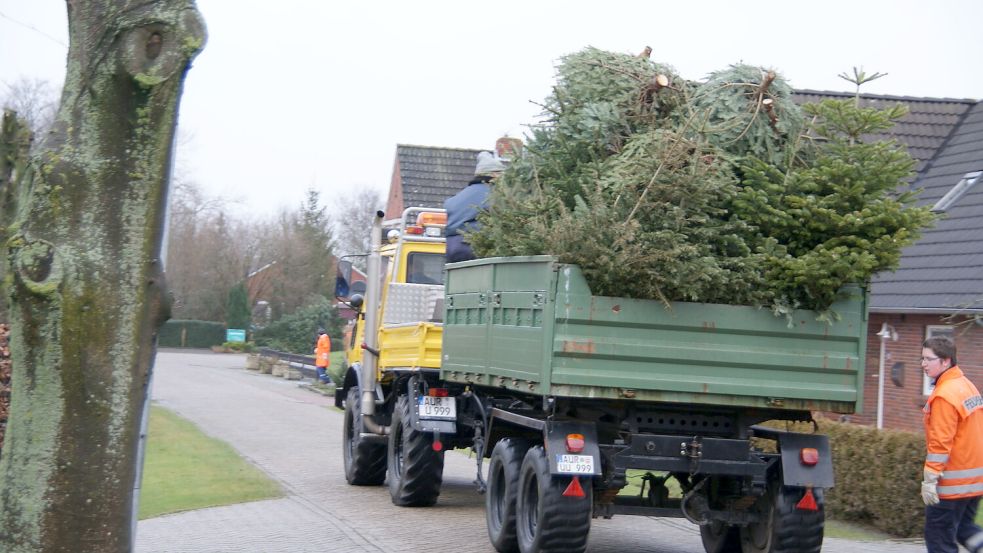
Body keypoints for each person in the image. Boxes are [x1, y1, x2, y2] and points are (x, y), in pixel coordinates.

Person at [920, 335, 983, 553]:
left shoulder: (944, 396)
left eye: (929, 359)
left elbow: (940, 443)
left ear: (945, 361)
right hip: (974, 482)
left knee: (938, 540)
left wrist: (929, 480)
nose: (923, 364)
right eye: (922, 358)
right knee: (965, 530)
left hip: (950, 485)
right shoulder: (967, 386)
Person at [444, 150, 506, 263]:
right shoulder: (497, 195)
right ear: (494, 174)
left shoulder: (456, 198)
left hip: (453, 248)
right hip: (480, 248)